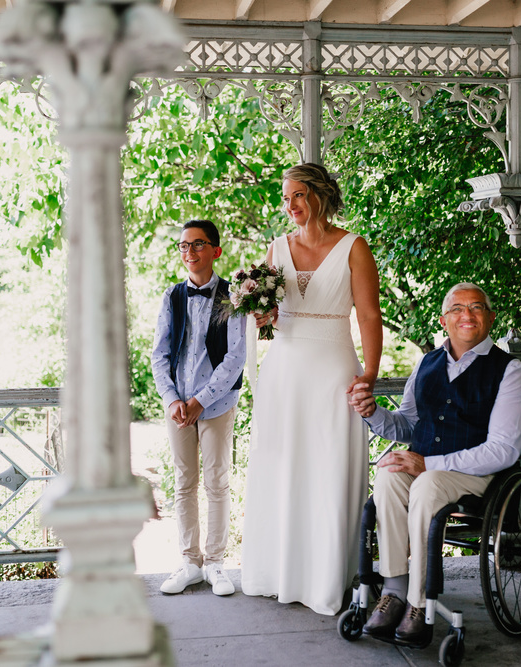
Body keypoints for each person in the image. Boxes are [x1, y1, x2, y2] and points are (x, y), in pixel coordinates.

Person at [348, 283, 521, 647]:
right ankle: (395, 590)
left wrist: (429, 464)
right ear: (443, 320)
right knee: (388, 473)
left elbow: (503, 450)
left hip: (476, 475)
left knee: (426, 484)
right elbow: (408, 424)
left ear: (491, 318)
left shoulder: (510, 371)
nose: (467, 315)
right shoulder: (427, 363)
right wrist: (373, 413)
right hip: (429, 469)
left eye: (477, 307)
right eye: (457, 308)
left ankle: (420, 603)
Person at [241, 162, 382, 615]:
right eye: (286, 198)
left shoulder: (354, 247)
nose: (290, 205)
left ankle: (327, 577)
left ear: (320, 195)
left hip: (333, 367)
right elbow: (271, 317)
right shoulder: (277, 248)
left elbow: (368, 317)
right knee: (283, 466)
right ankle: (278, 571)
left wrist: (371, 374)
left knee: (327, 468)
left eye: (298, 195)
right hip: (284, 368)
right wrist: (263, 317)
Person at [151, 219, 246, 597]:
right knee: (183, 483)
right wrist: (174, 400)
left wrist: (199, 400)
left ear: (215, 251)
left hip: (217, 402)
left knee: (217, 483)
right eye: (184, 246)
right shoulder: (172, 297)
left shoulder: (233, 295)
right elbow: (159, 354)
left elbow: (236, 356)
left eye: (198, 244)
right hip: (177, 405)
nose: (190, 252)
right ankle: (190, 562)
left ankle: (216, 563)